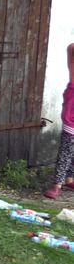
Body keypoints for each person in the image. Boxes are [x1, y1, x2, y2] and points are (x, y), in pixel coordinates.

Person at [44, 43, 74, 199]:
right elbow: (71, 48)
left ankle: (69, 179)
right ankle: (57, 185)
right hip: (72, 120)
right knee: (66, 152)